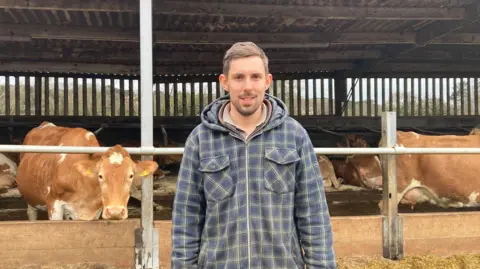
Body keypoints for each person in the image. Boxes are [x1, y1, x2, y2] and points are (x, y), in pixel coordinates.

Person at [171, 41, 336, 269]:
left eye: (255, 77)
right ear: (224, 82)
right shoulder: (200, 140)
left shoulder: (294, 135)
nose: (247, 86)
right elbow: (186, 217)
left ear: (267, 81)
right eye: (239, 77)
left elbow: (314, 214)